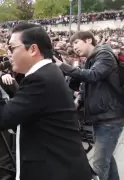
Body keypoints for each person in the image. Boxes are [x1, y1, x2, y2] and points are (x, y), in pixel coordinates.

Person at [0, 23, 92, 180]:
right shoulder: (47, 72)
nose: (9, 53)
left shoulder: (40, 78)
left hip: (55, 171)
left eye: (12, 48)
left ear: (33, 49)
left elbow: (1, 119)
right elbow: (25, 117)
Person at [55, 31, 124, 180]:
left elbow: (93, 76)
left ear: (88, 40)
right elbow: (84, 86)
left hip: (110, 119)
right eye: (72, 44)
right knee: (107, 160)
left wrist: (63, 66)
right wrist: (78, 101)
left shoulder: (104, 54)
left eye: (76, 43)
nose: (74, 47)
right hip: (101, 117)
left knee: (99, 166)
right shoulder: (90, 59)